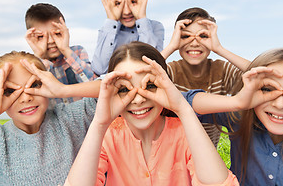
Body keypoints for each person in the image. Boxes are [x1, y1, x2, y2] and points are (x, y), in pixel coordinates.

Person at [64, 42, 239, 186]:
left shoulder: (183, 132)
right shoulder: (108, 136)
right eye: (124, 89)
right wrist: (99, 123)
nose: (138, 99)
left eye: (149, 86)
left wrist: (183, 108)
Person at [184, 47, 283, 185]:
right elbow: (177, 102)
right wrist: (236, 102)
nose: (280, 104)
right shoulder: (240, 117)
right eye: (267, 89)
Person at [0, 51, 99, 186]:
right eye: (10, 91)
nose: (26, 98)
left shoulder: (71, 118)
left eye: (34, 85)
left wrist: (63, 90)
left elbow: (117, 88)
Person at [161, 7, 250, 146]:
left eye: (203, 36)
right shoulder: (171, 71)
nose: (194, 42)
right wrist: (171, 46)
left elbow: (262, 73)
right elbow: (140, 74)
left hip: (208, 154)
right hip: (173, 152)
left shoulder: (221, 70)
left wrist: (219, 49)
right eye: (185, 36)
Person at [92, 0, 165, 76]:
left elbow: (149, 67)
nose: (126, 11)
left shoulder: (155, 27)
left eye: (133, 1)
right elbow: (100, 69)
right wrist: (111, 19)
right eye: (118, 3)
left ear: (143, 0)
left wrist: (141, 18)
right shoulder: (108, 30)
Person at [25, 3, 96, 106]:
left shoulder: (77, 52)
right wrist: (39, 56)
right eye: (41, 37)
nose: (50, 41)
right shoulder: (30, 64)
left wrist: (66, 50)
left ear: (65, 32)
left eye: (57, 34)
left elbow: (94, 85)